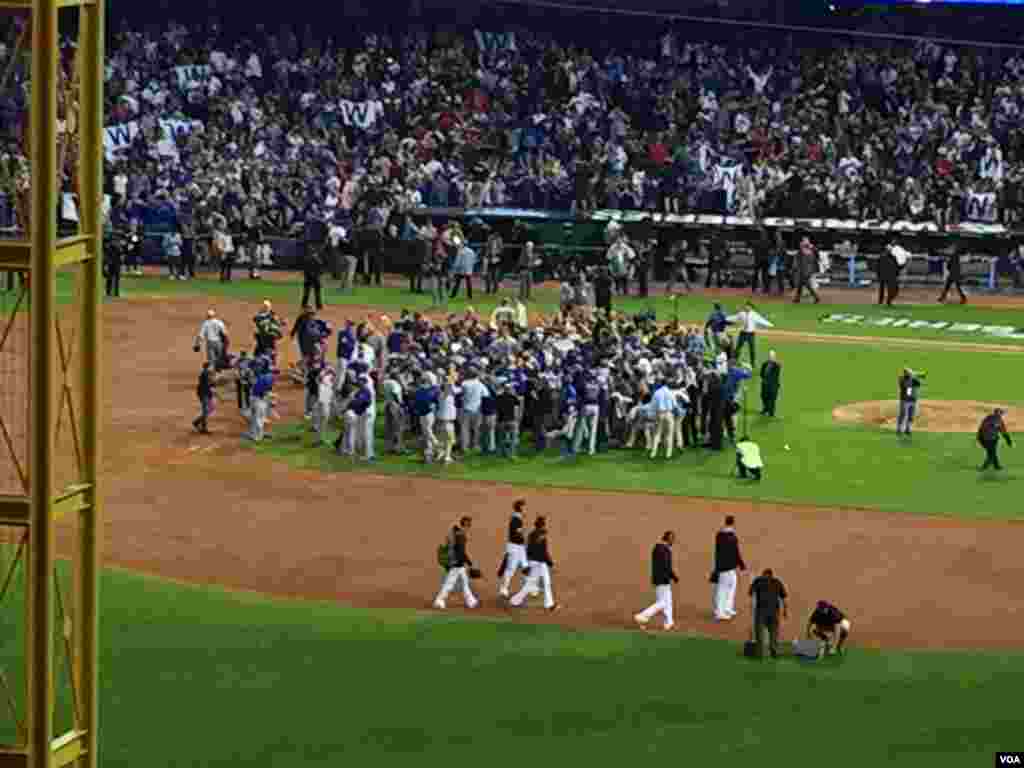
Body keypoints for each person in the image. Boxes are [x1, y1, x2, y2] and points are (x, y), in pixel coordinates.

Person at [509, 516, 558, 611]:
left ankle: (549, 604)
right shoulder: (542, 535)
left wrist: (528, 562)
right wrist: (550, 563)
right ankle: (515, 600)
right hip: (539, 563)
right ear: (542, 525)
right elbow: (543, 551)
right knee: (536, 583)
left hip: (535, 562)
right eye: (544, 524)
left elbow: (529, 550)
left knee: (542, 583)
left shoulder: (531, 534)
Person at [634, 531, 679, 631]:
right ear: (667, 538)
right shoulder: (664, 549)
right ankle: (642, 616)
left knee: (668, 601)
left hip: (658, 579)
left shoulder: (657, 548)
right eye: (672, 538)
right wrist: (674, 576)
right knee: (663, 602)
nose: (673, 541)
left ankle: (669, 623)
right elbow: (666, 566)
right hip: (662, 580)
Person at [433, 516, 480, 610]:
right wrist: (469, 564)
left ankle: (471, 601)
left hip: (458, 564)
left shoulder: (457, 533)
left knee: (464, 582)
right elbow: (461, 552)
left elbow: (460, 551)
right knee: (449, 584)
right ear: (466, 525)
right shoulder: (460, 535)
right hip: (456, 564)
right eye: (469, 524)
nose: (469, 526)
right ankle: (439, 600)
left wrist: (468, 563)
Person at [712, 515, 746, 621]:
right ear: (733, 523)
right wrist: (741, 565)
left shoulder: (720, 535)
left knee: (732, 584)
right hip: (726, 567)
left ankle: (727, 608)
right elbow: (736, 552)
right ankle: (719, 612)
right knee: (722, 589)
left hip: (724, 567)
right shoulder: (732, 536)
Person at [749, 568, 788, 658]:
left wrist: (751, 608)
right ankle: (774, 651)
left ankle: (759, 653)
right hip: (774, 611)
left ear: (763, 574)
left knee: (759, 632)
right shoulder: (777, 582)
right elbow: (784, 598)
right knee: (774, 632)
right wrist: (785, 611)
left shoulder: (758, 580)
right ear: (771, 575)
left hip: (761, 611)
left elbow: (751, 594)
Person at [498, 499, 529, 599]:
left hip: (519, 547)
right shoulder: (516, 519)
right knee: (511, 569)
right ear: (520, 507)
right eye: (524, 507)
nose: (525, 509)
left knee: (525, 566)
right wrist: (524, 540)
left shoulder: (518, 518)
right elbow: (516, 535)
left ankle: (531, 587)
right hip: (515, 547)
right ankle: (503, 589)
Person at [897, 367, 925, 436]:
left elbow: (919, 384)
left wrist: (915, 376)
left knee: (911, 416)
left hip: (913, 400)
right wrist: (913, 375)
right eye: (908, 373)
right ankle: (899, 428)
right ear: (905, 373)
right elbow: (906, 385)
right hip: (905, 400)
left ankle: (908, 429)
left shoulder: (913, 379)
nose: (909, 374)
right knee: (903, 414)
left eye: (910, 373)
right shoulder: (902, 379)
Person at [793, 236, 820, 304]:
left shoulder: (812, 249)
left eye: (806, 240)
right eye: (804, 240)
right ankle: (797, 298)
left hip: (808, 269)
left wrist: (812, 247)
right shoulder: (801, 249)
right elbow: (797, 258)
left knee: (805, 284)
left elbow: (817, 256)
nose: (804, 242)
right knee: (801, 284)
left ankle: (816, 297)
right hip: (802, 269)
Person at [191, 361, 216, 434]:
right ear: (208, 367)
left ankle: (197, 421)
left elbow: (211, 383)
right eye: (211, 366)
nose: (212, 368)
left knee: (210, 408)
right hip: (204, 394)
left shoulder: (207, 373)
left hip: (206, 394)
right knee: (206, 410)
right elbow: (209, 384)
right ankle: (203, 427)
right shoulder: (205, 374)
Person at [759, 350, 781, 417]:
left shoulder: (777, 365)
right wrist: (764, 379)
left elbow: (774, 376)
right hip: (765, 384)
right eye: (770, 356)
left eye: (772, 356)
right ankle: (766, 409)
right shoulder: (764, 364)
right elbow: (761, 373)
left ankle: (771, 413)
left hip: (773, 385)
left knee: (772, 399)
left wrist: (767, 381)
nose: (771, 357)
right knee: (763, 397)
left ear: (774, 357)